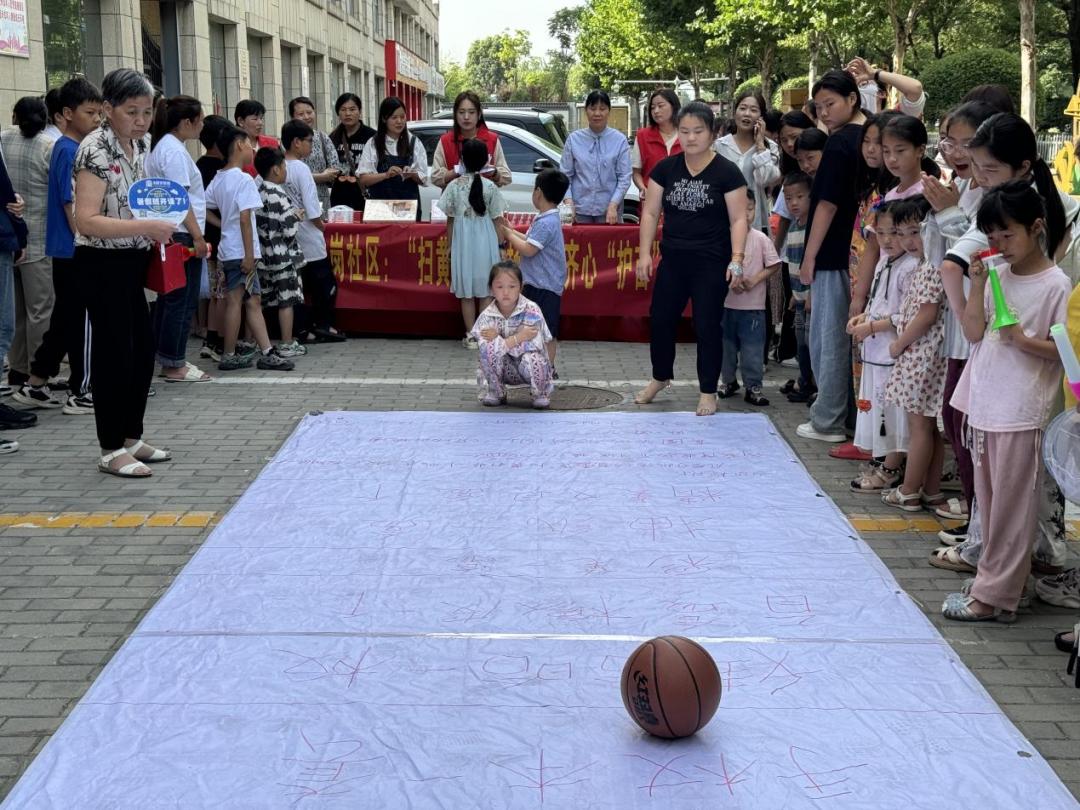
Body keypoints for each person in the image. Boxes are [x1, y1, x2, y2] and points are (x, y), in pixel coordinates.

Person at [943, 182, 1073, 622]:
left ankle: (995, 593)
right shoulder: (997, 272)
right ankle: (997, 587)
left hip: (1021, 410)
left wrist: (1022, 340)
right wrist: (977, 285)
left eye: (1008, 235)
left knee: (1013, 510)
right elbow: (975, 332)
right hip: (986, 403)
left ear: (1036, 228)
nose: (1000, 246)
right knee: (992, 504)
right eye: (992, 237)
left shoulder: (1055, 283)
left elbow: (1062, 350)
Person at [70, 68, 177, 477]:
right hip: (100, 263)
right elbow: (86, 221)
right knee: (115, 356)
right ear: (108, 109)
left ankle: (132, 436)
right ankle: (110, 447)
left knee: (141, 351)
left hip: (133, 260)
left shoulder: (141, 144)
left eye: (147, 112)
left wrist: (158, 221)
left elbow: (139, 198)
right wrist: (145, 227)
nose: (140, 120)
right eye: (131, 111)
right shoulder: (94, 151)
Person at [633, 101, 748, 417]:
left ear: (712, 133)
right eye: (684, 131)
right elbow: (651, 212)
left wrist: (736, 259)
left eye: (698, 131)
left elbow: (739, 219)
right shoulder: (666, 169)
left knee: (707, 325)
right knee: (660, 319)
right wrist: (644, 254)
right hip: (673, 260)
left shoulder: (727, 172)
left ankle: (708, 390)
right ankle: (660, 376)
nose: (691, 137)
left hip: (712, 262)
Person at [16, 78, 101, 419]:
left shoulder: (69, 148)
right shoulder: (70, 150)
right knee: (81, 322)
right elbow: (72, 205)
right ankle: (81, 392)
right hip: (74, 248)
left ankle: (35, 383)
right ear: (67, 113)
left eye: (99, 113)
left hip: (66, 248)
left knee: (65, 320)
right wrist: (88, 239)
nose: (96, 119)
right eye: (90, 112)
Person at [796, 70, 866, 444]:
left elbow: (825, 204)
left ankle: (827, 420)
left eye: (831, 104)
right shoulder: (869, 136)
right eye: (819, 106)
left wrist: (809, 257)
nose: (824, 112)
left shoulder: (840, 145)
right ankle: (848, 416)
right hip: (860, 252)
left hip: (835, 253)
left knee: (829, 339)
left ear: (852, 99)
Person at [204, 125, 294, 373]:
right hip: (242, 252)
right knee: (238, 301)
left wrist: (222, 224)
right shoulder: (244, 179)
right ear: (240, 145)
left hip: (229, 250)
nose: (253, 150)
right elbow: (245, 218)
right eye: (250, 145)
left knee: (251, 300)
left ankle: (265, 351)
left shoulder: (219, 177)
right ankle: (232, 354)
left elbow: (203, 206)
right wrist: (247, 254)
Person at [880, 197, 947, 511]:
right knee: (929, 428)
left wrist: (899, 344)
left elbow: (927, 314)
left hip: (921, 354)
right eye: (901, 233)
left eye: (916, 232)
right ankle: (930, 490)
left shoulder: (933, 266)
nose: (908, 241)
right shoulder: (927, 264)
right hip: (924, 354)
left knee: (920, 428)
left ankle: (908, 490)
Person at [847, 201, 917, 492]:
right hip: (876, 353)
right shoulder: (883, 262)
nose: (888, 240)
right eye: (882, 233)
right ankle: (885, 461)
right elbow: (882, 303)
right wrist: (864, 317)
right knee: (878, 411)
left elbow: (907, 315)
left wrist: (872, 326)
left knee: (892, 414)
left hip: (892, 354)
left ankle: (891, 467)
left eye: (895, 233)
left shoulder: (911, 267)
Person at [145, 95, 211, 382]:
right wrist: (198, 236)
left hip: (173, 232)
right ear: (187, 122)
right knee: (180, 301)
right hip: (181, 233)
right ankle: (174, 363)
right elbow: (179, 199)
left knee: (170, 298)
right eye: (200, 119)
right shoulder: (172, 151)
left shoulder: (165, 147)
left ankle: (166, 358)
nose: (202, 125)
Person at [3, 97, 56, 397]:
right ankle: (39, 374)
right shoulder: (48, 147)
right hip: (38, 240)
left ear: (14, 115)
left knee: (16, 310)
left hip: (9, 239)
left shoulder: (2, 139)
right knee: (40, 311)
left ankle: (17, 369)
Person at [439, 138, 508, 347]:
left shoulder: (453, 186)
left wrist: (450, 245)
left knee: (466, 293)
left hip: (463, 244)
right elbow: (498, 221)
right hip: (486, 243)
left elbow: (450, 219)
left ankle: (470, 335)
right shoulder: (491, 187)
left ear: (461, 160)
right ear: (486, 161)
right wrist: (502, 246)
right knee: (486, 291)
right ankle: (484, 334)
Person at [500, 169, 570, 368]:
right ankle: (537, 367)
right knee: (534, 327)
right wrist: (512, 231)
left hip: (545, 287)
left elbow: (529, 249)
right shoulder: (546, 217)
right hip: (537, 283)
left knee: (547, 331)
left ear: (538, 192)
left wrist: (508, 234)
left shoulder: (546, 221)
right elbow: (531, 240)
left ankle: (548, 368)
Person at [282, 119, 344, 343]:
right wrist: (322, 227)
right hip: (309, 238)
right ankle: (323, 325)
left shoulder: (276, 166)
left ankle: (301, 330)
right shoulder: (301, 169)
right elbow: (312, 210)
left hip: (286, 241)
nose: (311, 146)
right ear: (296, 143)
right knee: (325, 285)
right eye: (309, 141)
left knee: (295, 288)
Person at [718, 188, 782, 405]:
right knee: (726, 348)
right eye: (740, 209)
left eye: (751, 208)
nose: (746, 214)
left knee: (752, 350)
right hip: (726, 305)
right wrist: (729, 281)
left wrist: (754, 280)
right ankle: (728, 382)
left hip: (753, 308)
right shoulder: (723, 237)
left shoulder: (761, 238)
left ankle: (753, 386)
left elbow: (773, 265)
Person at [471, 261, 554, 409]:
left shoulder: (531, 309)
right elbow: (486, 349)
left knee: (534, 357)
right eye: (500, 286)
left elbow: (534, 345)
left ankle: (540, 393)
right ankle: (497, 392)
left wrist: (500, 339)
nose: (506, 292)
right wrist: (519, 337)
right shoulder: (487, 316)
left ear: (521, 287)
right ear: (491, 289)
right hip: (503, 368)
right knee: (488, 350)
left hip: (527, 366)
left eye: (512, 286)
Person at [253, 146, 306, 357]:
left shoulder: (259, 191)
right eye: (284, 166)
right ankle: (286, 342)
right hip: (283, 255)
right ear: (275, 169)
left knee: (262, 301)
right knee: (286, 300)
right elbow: (288, 229)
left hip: (264, 255)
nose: (285, 170)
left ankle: (254, 341)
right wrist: (297, 216)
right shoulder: (278, 194)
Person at [560, 90, 631, 224]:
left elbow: (624, 177)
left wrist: (613, 205)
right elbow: (565, 175)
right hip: (579, 210)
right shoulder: (574, 139)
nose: (597, 113)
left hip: (609, 211)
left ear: (609, 111)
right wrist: (569, 203)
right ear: (586, 111)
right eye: (593, 109)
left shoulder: (620, 140)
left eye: (602, 109)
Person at [713, 90, 780, 232]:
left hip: (755, 222)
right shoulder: (719, 146)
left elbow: (765, 180)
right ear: (735, 112)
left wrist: (760, 145)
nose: (747, 114)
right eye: (742, 108)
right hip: (722, 221)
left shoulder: (770, 147)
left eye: (753, 110)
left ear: (761, 117)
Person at [356, 97, 428, 220]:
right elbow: (363, 179)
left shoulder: (414, 142)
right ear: (384, 119)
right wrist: (386, 175)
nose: (399, 121)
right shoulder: (373, 143)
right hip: (380, 210)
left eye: (402, 117)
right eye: (394, 118)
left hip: (408, 210)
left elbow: (424, 179)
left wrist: (411, 174)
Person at [195, 115, 230, 361]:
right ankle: (215, 341)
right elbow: (202, 206)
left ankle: (212, 339)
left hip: (214, 237)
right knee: (220, 293)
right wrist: (222, 223)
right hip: (218, 240)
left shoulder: (201, 164)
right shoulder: (213, 169)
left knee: (217, 292)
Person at [779, 171, 815, 403]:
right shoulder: (793, 227)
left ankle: (810, 384)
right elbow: (793, 265)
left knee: (810, 344)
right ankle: (803, 380)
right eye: (789, 198)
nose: (794, 203)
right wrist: (794, 295)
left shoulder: (813, 228)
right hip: (799, 299)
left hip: (811, 300)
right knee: (801, 343)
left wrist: (811, 294)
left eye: (800, 197)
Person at [430, 91, 511, 190]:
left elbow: (507, 177)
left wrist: (494, 172)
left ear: (479, 114)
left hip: (485, 202)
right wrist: (456, 171)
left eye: (472, 112)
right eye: (461, 112)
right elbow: (434, 177)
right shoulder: (445, 140)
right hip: (454, 202)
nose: (466, 117)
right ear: (455, 114)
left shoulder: (492, 139)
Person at [288, 96, 342, 210]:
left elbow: (335, 168)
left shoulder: (322, 137)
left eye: (309, 112)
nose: (306, 117)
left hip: (321, 197)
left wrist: (325, 176)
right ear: (292, 117)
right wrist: (322, 176)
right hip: (296, 198)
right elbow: (289, 174)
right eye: (301, 114)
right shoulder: (287, 141)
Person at [632, 88, 682, 202]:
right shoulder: (642, 136)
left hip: (681, 203)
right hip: (651, 201)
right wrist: (643, 188)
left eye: (660, 105)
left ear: (673, 106)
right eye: (653, 107)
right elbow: (636, 173)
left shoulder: (686, 134)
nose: (656, 111)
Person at [328, 93, 376, 211]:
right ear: (338, 113)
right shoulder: (333, 137)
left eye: (352, 109)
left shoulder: (372, 136)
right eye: (343, 110)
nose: (347, 113)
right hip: (339, 197)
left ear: (360, 111)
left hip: (364, 196)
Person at [846, 56, 927, 119]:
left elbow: (915, 89)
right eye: (857, 85)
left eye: (864, 84)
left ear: (881, 93)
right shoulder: (842, 122)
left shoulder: (893, 121)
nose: (859, 90)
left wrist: (874, 74)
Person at [234, 99, 278, 177]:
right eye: (255, 119)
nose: (260, 123)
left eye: (261, 118)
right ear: (241, 121)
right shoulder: (233, 147)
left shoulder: (272, 143)